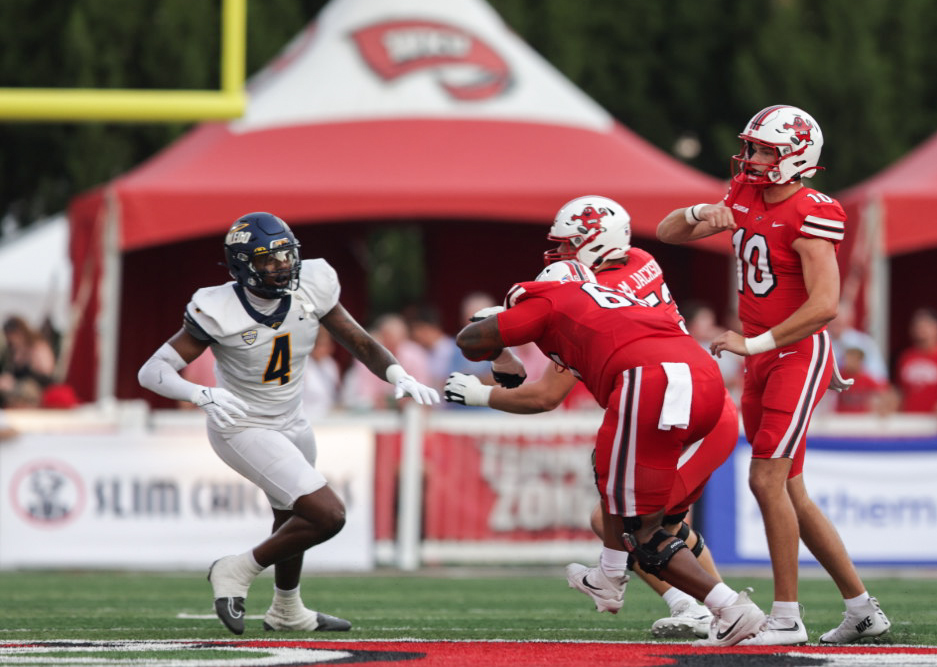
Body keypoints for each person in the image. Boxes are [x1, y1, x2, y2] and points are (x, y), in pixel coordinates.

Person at [447, 196, 735, 639]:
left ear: (596, 243)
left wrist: (486, 386)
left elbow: (547, 394)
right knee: (653, 523)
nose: (559, 254)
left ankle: (714, 608)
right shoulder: (638, 261)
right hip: (697, 398)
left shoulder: (591, 296)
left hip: (672, 401)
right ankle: (701, 606)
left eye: (569, 245)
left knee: (628, 524)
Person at [138, 212, 439, 635]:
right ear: (243, 265)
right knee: (327, 514)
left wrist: (399, 375)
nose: (281, 265)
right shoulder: (219, 307)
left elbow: (359, 341)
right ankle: (236, 570)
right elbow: (153, 371)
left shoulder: (313, 284)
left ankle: (287, 610)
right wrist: (200, 394)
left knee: (291, 518)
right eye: (267, 259)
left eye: (285, 255)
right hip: (242, 425)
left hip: (292, 421)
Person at [656, 105, 891, 645]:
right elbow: (670, 233)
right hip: (765, 357)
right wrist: (699, 212)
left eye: (766, 151)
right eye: (753, 148)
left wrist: (753, 342)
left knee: (764, 479)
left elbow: (825, 304)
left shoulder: (813, 211)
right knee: (791, 490)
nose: (754, 159)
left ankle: (787, 616)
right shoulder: (742, 193)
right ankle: (861, 609)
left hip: (792, 352)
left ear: (797, 158)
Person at [339, 313, 432, 411]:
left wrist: (406, 399)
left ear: (404, 337)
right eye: (389, 337)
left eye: (398, 338)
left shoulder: (416, 354)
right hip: (374, 411)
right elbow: (365, 394)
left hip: (410, 411)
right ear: (382, 335)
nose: (394, 343)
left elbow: (423, 391)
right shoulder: (368, 355)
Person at [894, 307, 937, 413]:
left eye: (926, 325)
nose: (921, 329)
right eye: (917, 325)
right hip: (910, 422)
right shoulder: (905, 357)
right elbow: (900, 391)